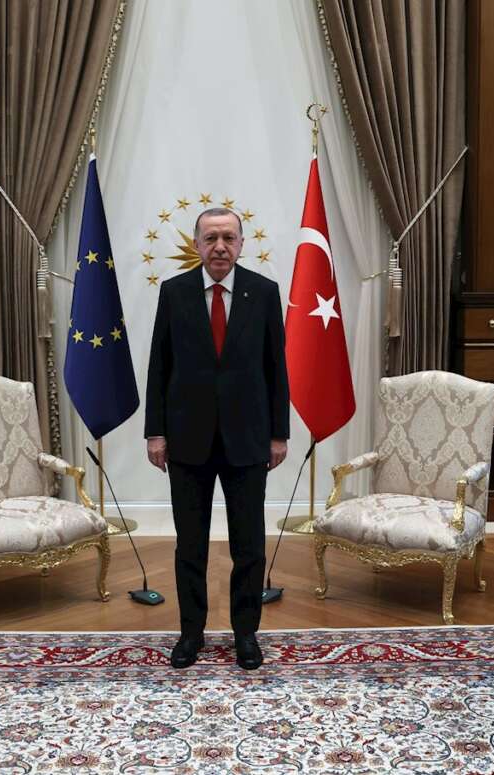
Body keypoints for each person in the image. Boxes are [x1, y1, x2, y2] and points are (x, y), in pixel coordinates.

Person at [145, 207, 289, 670]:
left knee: (249, 545)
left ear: (241, 244)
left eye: (228, 237)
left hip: (248, 440)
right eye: (211, 238)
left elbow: (276, 370)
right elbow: (158, 367)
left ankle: (246, 635)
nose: (220, 246)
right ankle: (191, 634)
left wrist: (279, 434)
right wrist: (155, 432)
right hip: (187, 440)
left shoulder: (263, 293)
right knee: (191, 545)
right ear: (197, 244)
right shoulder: (175, 293)